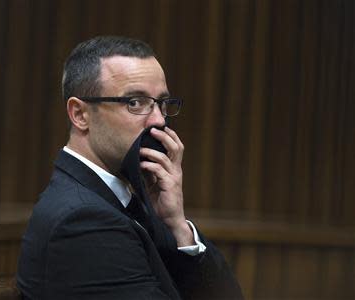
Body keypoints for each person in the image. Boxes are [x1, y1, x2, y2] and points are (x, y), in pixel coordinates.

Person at [17, 35, 243, 300]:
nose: (159, 121)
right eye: (135, 102)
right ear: (80, 114)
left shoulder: (129, 201)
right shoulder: (82, 221)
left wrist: (177, 226)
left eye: (161, 103)